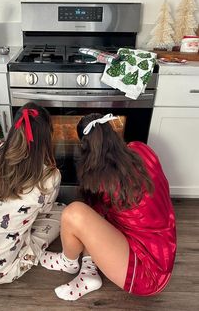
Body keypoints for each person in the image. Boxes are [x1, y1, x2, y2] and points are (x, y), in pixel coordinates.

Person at [41, 113, 177, 301]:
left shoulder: (101, 182)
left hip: (148, 274)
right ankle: (89, 272)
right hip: (162, 248)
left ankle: (68, 261)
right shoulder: (141, 149)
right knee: (96, 213)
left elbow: (86, 219)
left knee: (74, 213)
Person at [0, 102, 64, 284]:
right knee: (62, 213)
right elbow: (45, 209)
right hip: (3, 270)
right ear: (46, 136)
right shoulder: (50, 176)